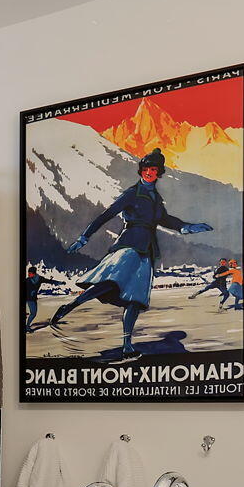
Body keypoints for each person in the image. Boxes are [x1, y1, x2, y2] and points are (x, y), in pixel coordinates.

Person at [35, 148, 212, 356]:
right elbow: (106, 215)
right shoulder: (132, 193)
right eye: (146, 169)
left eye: (153, 170)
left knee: (136, 299)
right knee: (109, 283)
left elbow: (165, 220)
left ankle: (127, 344)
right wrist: (84, 237)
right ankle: (70, 306)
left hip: (146, 251)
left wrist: (187, 227)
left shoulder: (156, 198)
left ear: (159, 173)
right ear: (141, 170)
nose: (149, 173)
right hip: (128, 245)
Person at [22, 264, 42, 332]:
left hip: (33, 299)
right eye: (28, 273)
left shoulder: (40, 279)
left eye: (30, 273)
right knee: (33, 314)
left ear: (34, 273)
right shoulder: (27, 280)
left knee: (33, 313)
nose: (28, 274)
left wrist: (59, 283)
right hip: (29, 299)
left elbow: (49, 281)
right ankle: (27, 327)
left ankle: (27, 326)